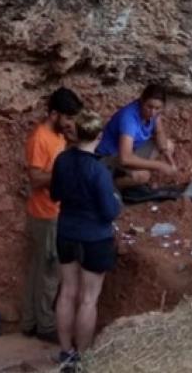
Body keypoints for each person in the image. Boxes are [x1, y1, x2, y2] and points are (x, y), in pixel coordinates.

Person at [51, 111, 121, 369]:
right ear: (100, 136)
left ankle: (65, 352)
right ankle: (82, 357)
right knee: (89, 298)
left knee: (67, 292)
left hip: (66, 231)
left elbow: (55, 194)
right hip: (95, 237)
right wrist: (115, 201)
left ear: (76, 132)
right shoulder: (99, 170)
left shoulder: (62, 160)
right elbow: (109, 212)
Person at [21, 87, 83, 342]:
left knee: (39, 270)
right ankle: (45, 325)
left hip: (53, 211)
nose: (70, 124)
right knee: (49, 273)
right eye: (67, 118)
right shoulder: (40, 138)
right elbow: (35, 178)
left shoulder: (58, 136)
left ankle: (30, 321)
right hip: (46, 214)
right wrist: (65, 175)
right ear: (54, 114)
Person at [95, 84, 179, 189]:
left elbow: (159, 132)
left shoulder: (154, 114)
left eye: (157, 108)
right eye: (149, 107)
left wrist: (169, 158)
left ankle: (132, 174)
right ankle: (109, 186)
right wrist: (160, 165)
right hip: (109, 156)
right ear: (141, 101)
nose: (153, 112)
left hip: (131, 150)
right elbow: (124, 158)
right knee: (143, 176)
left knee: (168, 145)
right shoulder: (128, 118)